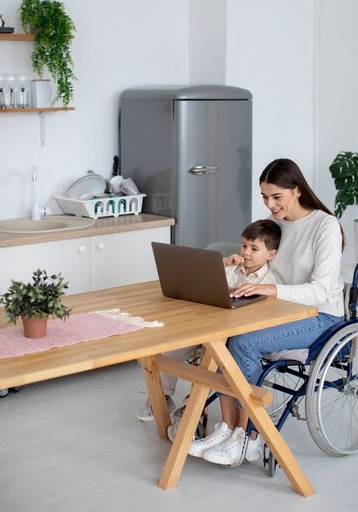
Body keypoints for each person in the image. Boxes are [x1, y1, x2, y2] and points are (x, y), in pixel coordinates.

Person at [189, 158, 345, 466]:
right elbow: (261, 264)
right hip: (279, 309)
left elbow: (323, 290)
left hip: (320, 315)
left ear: (297, 190)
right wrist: (239, 263)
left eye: (276, 196)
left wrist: (273, 290)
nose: (269, 204)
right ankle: (228, 428)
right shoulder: (278, 225)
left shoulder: (325, 225)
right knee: (220, 335)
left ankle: (251, 437)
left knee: (244, 342)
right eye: (264, 196)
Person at [136, 219, 282, 427]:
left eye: (254, 248)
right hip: (208, 324)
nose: (246, 252)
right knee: (171, 350)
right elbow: (201, 279)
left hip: (231, 334)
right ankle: (162, 397)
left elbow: (261, 314)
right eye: (244, 245)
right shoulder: (233, 269)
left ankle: (192, 406)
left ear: (270, 254)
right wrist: (223, 263)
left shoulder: (269, 281)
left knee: (209, 357)